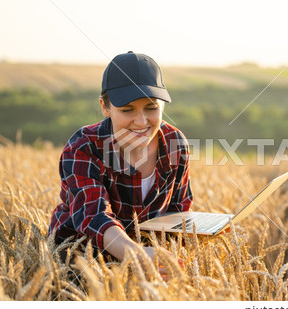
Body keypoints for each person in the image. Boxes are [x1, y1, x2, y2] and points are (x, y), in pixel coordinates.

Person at [48, 51, 192, 277]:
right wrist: (137, 255)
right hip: (82, 259)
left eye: (151, 107)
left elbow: (179, 210)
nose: (142, 121)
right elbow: (95, 216)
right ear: (105, 107)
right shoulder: (83, 147)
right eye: (127, 110)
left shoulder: (175, 143)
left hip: (147, 255)